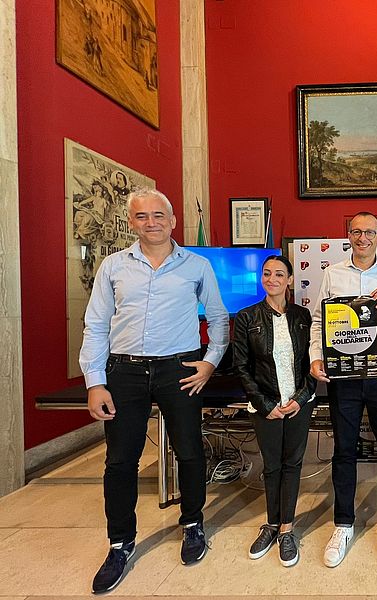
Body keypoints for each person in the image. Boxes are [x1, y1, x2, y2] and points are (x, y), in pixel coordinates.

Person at [79, 188, 229, 594]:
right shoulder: (113, 266)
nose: (152, 222)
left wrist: (210, 362)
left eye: (159, 215)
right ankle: (120, 543)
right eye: (142, 216)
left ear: (173, 220)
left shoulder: (197, 265)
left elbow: (218, 317)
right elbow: (96, 325)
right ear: (132, 222)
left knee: (190, 452)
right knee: (120, 461)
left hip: (179, 369)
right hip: (124, 372)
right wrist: (95, 382)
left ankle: (193, 524)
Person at [309, 212, 377, 568]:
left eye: (369, 232)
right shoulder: (332, 273)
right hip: (344, 373)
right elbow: (318, 320)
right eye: (356, 231)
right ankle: (343, 524)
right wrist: (315, 357)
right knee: (344, 449)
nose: (363, 237)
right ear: (348, 235)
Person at [232, 255, 317, 567]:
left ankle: (286, 529)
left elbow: (312, 361)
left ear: (290, 279)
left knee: (292, 464)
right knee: (271, 466)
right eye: (267, 273)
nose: (272, 279)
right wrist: (265, 405)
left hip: (298, 403)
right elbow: (241, 366)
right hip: (265, 406)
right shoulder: (246, 317)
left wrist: (301, 397)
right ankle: (270, 523)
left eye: (279, 274)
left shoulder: (303, 316)